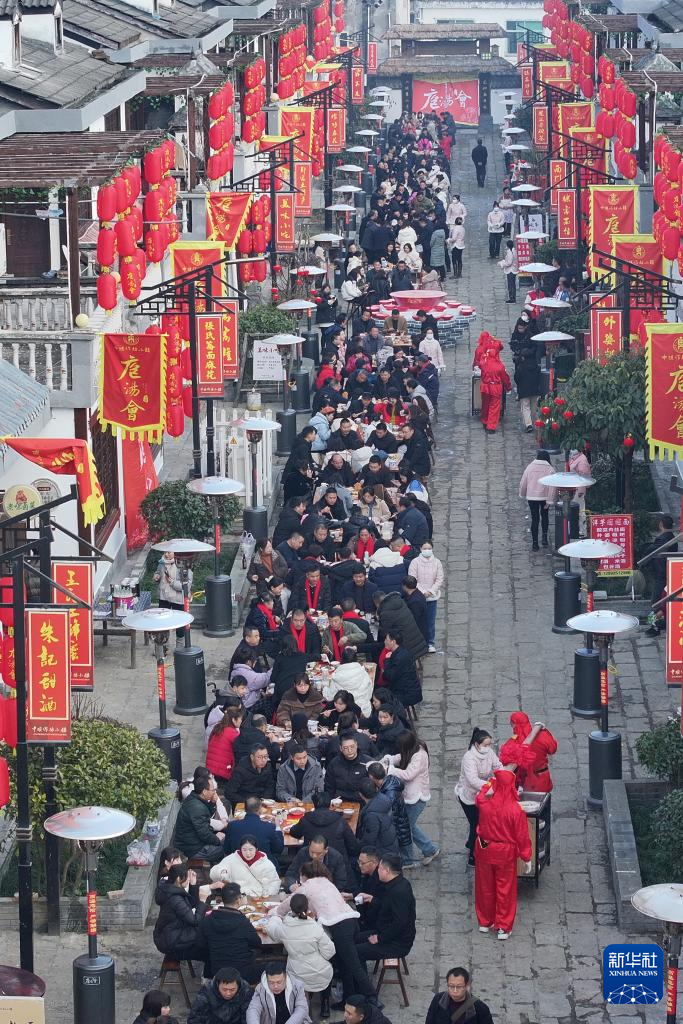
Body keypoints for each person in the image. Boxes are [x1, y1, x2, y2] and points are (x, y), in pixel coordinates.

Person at [271, 861, 377, 1004]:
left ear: (305, 875)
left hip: (339, 926)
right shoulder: (327, 882)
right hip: (352, 921)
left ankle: (372, 997)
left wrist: (274, 913)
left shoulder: (307, 886)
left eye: (301, 876)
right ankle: (348, 998)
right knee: (344, 963)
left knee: (353, 964)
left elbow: (289, 903)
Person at [474, 769, 532, 939]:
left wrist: (490, 784)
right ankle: (503, 927)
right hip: (504, 853)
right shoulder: (515, 810)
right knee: (505, 889)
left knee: (484, 887)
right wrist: (527, 857)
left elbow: (479, 796)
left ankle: (485, 922)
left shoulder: (485, 803)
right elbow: (522, 837)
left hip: (484, 848)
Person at [263, 898, 336, 1016]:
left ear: (291, 909)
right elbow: (330, 952)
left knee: (300, 980)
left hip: (297, 975)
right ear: (307, 908)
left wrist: (275, 917)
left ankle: (303, 1006)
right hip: (320, 974)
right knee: (327, 969)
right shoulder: (315, 927)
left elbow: (271, 929)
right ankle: (325, 1003)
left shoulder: (285, 928)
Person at [385, 731, 439, 866]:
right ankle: (429, 849)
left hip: (416, 798)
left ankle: (408, 859)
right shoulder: (414, 749)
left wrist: (390, 770)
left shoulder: (419, 756)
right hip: (411, 796)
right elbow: (401, 756)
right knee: (409, 826)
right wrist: (390, 760)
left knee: (405, 828)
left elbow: (408, 774)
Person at [354, 854, 416, 967]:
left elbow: (399, 923)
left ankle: (360, 978)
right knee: (353, 939)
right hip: (383, 931)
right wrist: (372, 899)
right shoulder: (395, 883)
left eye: (379, 868)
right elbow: (388, 908)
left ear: (387, 871)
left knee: (355, 952)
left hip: (396, 942)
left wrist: (379, 938)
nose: (377, 871)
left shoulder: (399, 891)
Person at [455, 728, 502, 866]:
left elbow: (498, 765)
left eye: (489, 744)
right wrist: (492, 784)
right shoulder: (469, 758)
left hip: (483, 794)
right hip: (468, 797)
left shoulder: (489, 753)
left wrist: (503, 776)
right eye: (485, 745)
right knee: (477, 824)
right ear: (477, 744)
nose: (488, 747)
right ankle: (473, 856)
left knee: (478, 823)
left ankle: (471, 843)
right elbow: (473, 780)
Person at [200, 883, 263, 983]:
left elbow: (201, 944)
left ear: (222, 899)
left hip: (217, 971)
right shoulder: (243, 922)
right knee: (269, 965)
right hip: (242, 973)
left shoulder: (208, 920)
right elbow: (257, 943)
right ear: (238, 901)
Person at [153, 863, 207, 963]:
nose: (188, 879)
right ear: (178, 879)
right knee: (206, 938)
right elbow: (195, 921)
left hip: (169, 934)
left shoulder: (170, 890)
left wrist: (193, 885)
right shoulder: (175, 898)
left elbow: (190, 906)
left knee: (204, 934)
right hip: (170, 941)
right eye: (187, 877)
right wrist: (202, 901)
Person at [288, 790, 360, 860]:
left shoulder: (306, 819)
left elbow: (294, 832)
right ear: (330, 804)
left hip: (311, 860)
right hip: (336, 861)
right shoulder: (340, 820)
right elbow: (353, 845)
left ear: (314, 804)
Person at [499, 711, 558, 792]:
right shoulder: (542, 735)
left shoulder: (512, 743)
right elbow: (552, 749)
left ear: (514, 724)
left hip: (524, 784)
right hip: (541, 779)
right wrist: (545, 731)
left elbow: (505, 763)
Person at [174, 777, 226, 863]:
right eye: (213, 790)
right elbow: (204, 834)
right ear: (204, 791)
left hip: (192, 841)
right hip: (193, 849)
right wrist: (217, 839)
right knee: (228, 847)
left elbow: (206, 817)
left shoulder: (194, 798)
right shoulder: (197, 807)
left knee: (226, 839)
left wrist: (212, 802)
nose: (215, 792)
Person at [209, 836, 281, 897]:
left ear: (256, 849)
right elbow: (214, 873)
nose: (248, 853)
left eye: (251, 850)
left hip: (259, 897)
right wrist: (222, 872)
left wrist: (267, 895)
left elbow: (274, 881)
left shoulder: (265, 862)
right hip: (237, 897)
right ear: (240, 849)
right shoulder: (232, 858)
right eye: (244, 850)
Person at [225, 797, 285, 867]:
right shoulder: (269, 827)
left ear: (245, 809)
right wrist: (277, 827)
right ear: (260, 810)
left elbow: (226, 849)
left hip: (238, 866)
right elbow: (279, 849)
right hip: (264, 868)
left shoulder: (232, 825)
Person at [408, 541, 443, 653]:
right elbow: (412, 578)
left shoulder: (437, 562)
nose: (427, 550)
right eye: (425, 548)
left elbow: (439, 579)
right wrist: (422, 592)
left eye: (429, 548)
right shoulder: (415, 562)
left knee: (430, 621)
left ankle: (430, 642)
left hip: (432, 597)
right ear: (420, 549)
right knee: (418, 620)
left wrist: (431, 591)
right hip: (418, 597)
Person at [246, 963, 311, 1024]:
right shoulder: (260, 989)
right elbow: (253, 1009)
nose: (275, 986)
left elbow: (301, 1008)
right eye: (271, 982)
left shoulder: (297, 986)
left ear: (286, 977)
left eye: (279, 982)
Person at [425, 967, 495, 1024]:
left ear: (467, 986)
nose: (455, 991)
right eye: (451, 986)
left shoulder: (480, 1008)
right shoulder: (438, 1000)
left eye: (459, 986)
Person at [283, 835, 350, 893]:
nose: (314, 856)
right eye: (312, 852)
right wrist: (292, 886)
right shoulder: (302, 853)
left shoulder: (336, 857)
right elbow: (290, 874)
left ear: (326, 850)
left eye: (318, 853)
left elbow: (341, 883)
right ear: (309, 845)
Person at [187, 967, 253, 1024]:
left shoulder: (246, 991)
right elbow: (194, 1019)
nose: (228, 993)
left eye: (232, 990)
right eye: (224, 989)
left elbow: (248, 1016)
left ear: (238, 986)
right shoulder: (206, 991)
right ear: (217, 984)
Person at [510, 312, 541, 432]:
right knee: (532, 405)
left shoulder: (521, 367)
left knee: (526, 405)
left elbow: (517, 377)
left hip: (524, 387)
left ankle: (529, 424)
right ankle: (533, 423)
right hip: (533, 388)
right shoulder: (535, 366)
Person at [154, 551, 192, 645]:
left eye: (169, 552)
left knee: (179, 623)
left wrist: (172, 582)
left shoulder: (183, 565)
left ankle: (180, 645)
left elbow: (186, 585)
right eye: (165, 552)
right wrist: (157, 576)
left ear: (175, 552)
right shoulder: (162, 563)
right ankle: (164, 645)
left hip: (178, 599)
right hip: (164, 597)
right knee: (163, 622)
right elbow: (158, 572)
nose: (166, 554)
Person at [518, 450, 553, 551]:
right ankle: (544, 538)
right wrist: (550, 500)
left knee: (535, 518)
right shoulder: (550, 469)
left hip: (532, 497)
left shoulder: (530, 467)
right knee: (545, 516)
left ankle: (535, 543)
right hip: (544, 497)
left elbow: (523, 482)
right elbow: (552, 487)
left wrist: (522, 494)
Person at [379, 630, 423, 709]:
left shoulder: (399, 657)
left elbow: (389, 677)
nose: (385, 641)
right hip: (404, 688)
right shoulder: (400, 651)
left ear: (393, 642)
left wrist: (387, 661)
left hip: (406, 693)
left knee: (379, 699)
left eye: (386, 640)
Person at [324, 733, 373, 801]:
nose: (349, 750)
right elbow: (329, 787)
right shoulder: (334, 763)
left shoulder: (368, 762)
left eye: (352, 747)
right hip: (339, 801)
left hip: (362, 801)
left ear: (356, 745)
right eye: (345, 748)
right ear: (341, 748)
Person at [325, 649, 374, 717]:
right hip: (364, 712)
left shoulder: (337, 676)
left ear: (342, 659)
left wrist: (325, 688)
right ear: (356, 659)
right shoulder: (363, 672)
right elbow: (369, 694)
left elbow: (330, 697)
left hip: (345, 715)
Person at [357, 778, 398, 856]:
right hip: (391, 843)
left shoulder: (371, 816)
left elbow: (369, 841)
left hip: (382, 852)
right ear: (376, 788)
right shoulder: (384, 798)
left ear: (361, 795)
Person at [206, 706, 244, 790]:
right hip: (223, 772)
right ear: (233, 720)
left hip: (210, 769)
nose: (241, 721)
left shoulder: (217, 727)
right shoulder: (233, 733)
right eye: (240, 719)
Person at [479, 346, 511, 435]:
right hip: (495, 388)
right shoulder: (500, 366)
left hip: (485, 387)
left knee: (485, 405)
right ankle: (491, 427)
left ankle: (485, 421)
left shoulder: (484, 363)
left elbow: (480, 363)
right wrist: (508, 387)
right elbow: (505, 378)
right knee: (494, 407)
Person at [401, 575, 429, 644]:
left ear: (405, 586)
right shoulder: (417, 593)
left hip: (418, 635)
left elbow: (414, 620)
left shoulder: (415, 602)